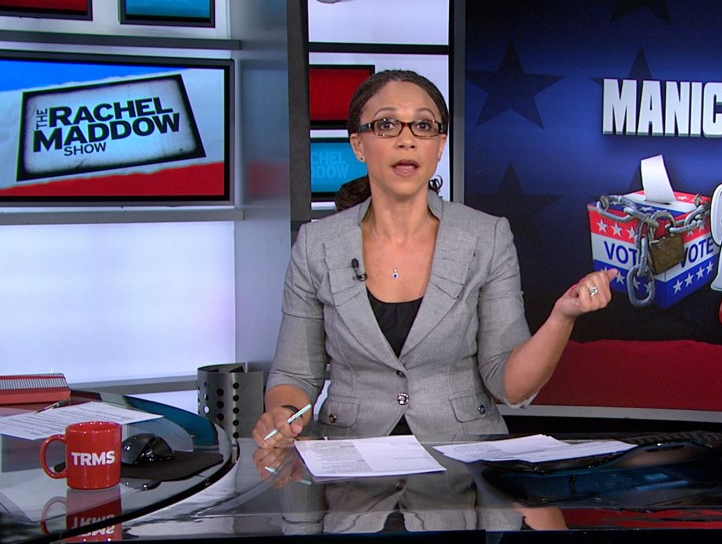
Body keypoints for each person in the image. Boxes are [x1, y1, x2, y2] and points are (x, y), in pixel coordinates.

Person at [252, 69, 616, 446]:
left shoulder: (486, 236)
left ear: (440, 145)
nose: (406, 140)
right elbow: (294, 376)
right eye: (387, 125)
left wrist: (562, 317)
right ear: (358, 144)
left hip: (462, 456)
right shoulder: (316, 244)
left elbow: (509, 385)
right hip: (353, 456)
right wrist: (283, 416)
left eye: (423, 126)